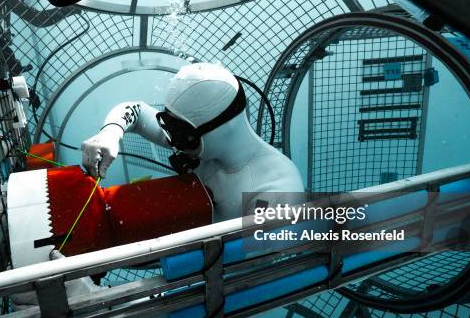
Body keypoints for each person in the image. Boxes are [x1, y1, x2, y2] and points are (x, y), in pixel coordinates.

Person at [81, 62, 304, 222]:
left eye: (181, 132)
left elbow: (248, 275)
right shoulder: (200, 143)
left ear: (223, 127)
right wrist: (111, 132)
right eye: (167, 124)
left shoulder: (278, 192)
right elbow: (137, 112)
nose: (173, 142)